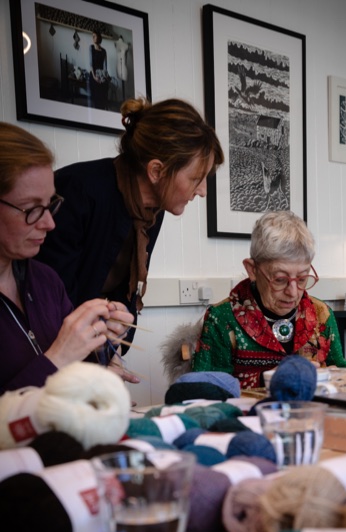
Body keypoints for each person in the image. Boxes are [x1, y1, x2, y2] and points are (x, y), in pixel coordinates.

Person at [36, 98, 223, 348]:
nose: (202, 191)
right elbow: (49, 297)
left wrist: (113, 348)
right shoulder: (79, 190)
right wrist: (98, 349)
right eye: (196, 178)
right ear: (156, 171)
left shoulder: (153, 210)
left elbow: (124, 294)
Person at [0, 123, 135, 391]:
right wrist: (58, 357)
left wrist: (102, 347)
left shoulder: (45, 281)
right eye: (31, 209)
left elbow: (72, 377)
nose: (50, 223)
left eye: (50, 204)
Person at [192, 211, 346, 389]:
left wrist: (333, 376)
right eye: (280, 279)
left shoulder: (321, 314)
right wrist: (268, 379)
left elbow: (342, 376)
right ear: (252, 270)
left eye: (302, 279)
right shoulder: (222, 318)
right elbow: (204, 390)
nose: (292, 292)